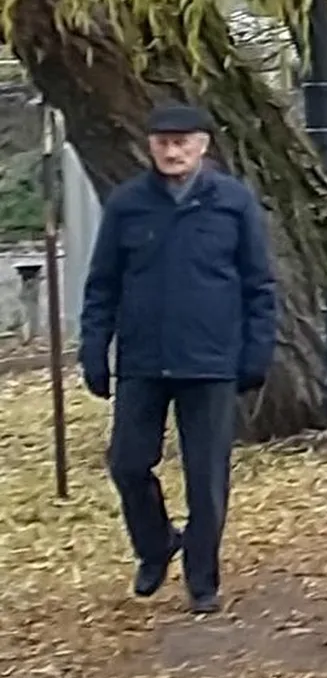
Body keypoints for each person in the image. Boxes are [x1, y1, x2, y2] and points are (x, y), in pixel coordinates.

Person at [80, 103, 277, 616]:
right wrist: (95, 348)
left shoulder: (232, 203)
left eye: (183, 141)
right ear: (149, 145)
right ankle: (155, 544)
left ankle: (202, 577)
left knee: (206, 475)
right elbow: (103, 284)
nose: (172, 150)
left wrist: (256, 352)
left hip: (211, 358)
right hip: (143, 358)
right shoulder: (128, 204)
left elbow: (259, 285)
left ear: (203, 145)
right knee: (127, 463)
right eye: (163, 141)